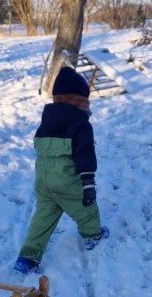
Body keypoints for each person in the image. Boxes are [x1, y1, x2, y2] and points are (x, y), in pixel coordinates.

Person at [14, 65, 109, 274]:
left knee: (42, 221)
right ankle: (92, 237)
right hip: (67, 182)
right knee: (87, 211)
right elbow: (84, 153)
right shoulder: (82, 125)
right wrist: (88, 183)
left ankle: (27, 258)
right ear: (79, 100)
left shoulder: (47, 120)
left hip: (44, 181)